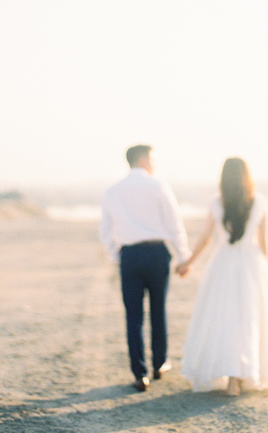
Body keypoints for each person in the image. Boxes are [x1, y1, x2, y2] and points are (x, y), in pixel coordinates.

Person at [177, 157, 268, 396]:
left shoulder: (216, 203)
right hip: (251, 263)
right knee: (250, 318)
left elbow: (204, 238)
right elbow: (265, 240)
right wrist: (266, 270)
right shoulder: (259, 202)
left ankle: (232, 378)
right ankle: (242, 374)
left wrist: (187, 263)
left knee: (223, 317)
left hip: (223, 263)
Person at [100, 145, 191, 392]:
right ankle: (159, 364)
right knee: (158, 309)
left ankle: (140, 373)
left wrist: (118, 256)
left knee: (133, 316)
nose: (154, 163)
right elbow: (174, 224)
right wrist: (184, 256)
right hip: (156, 253)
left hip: (129, 254)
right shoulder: (158, 186)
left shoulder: (112, 191)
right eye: (152, 159)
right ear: (143, 160)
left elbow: (105, 231)